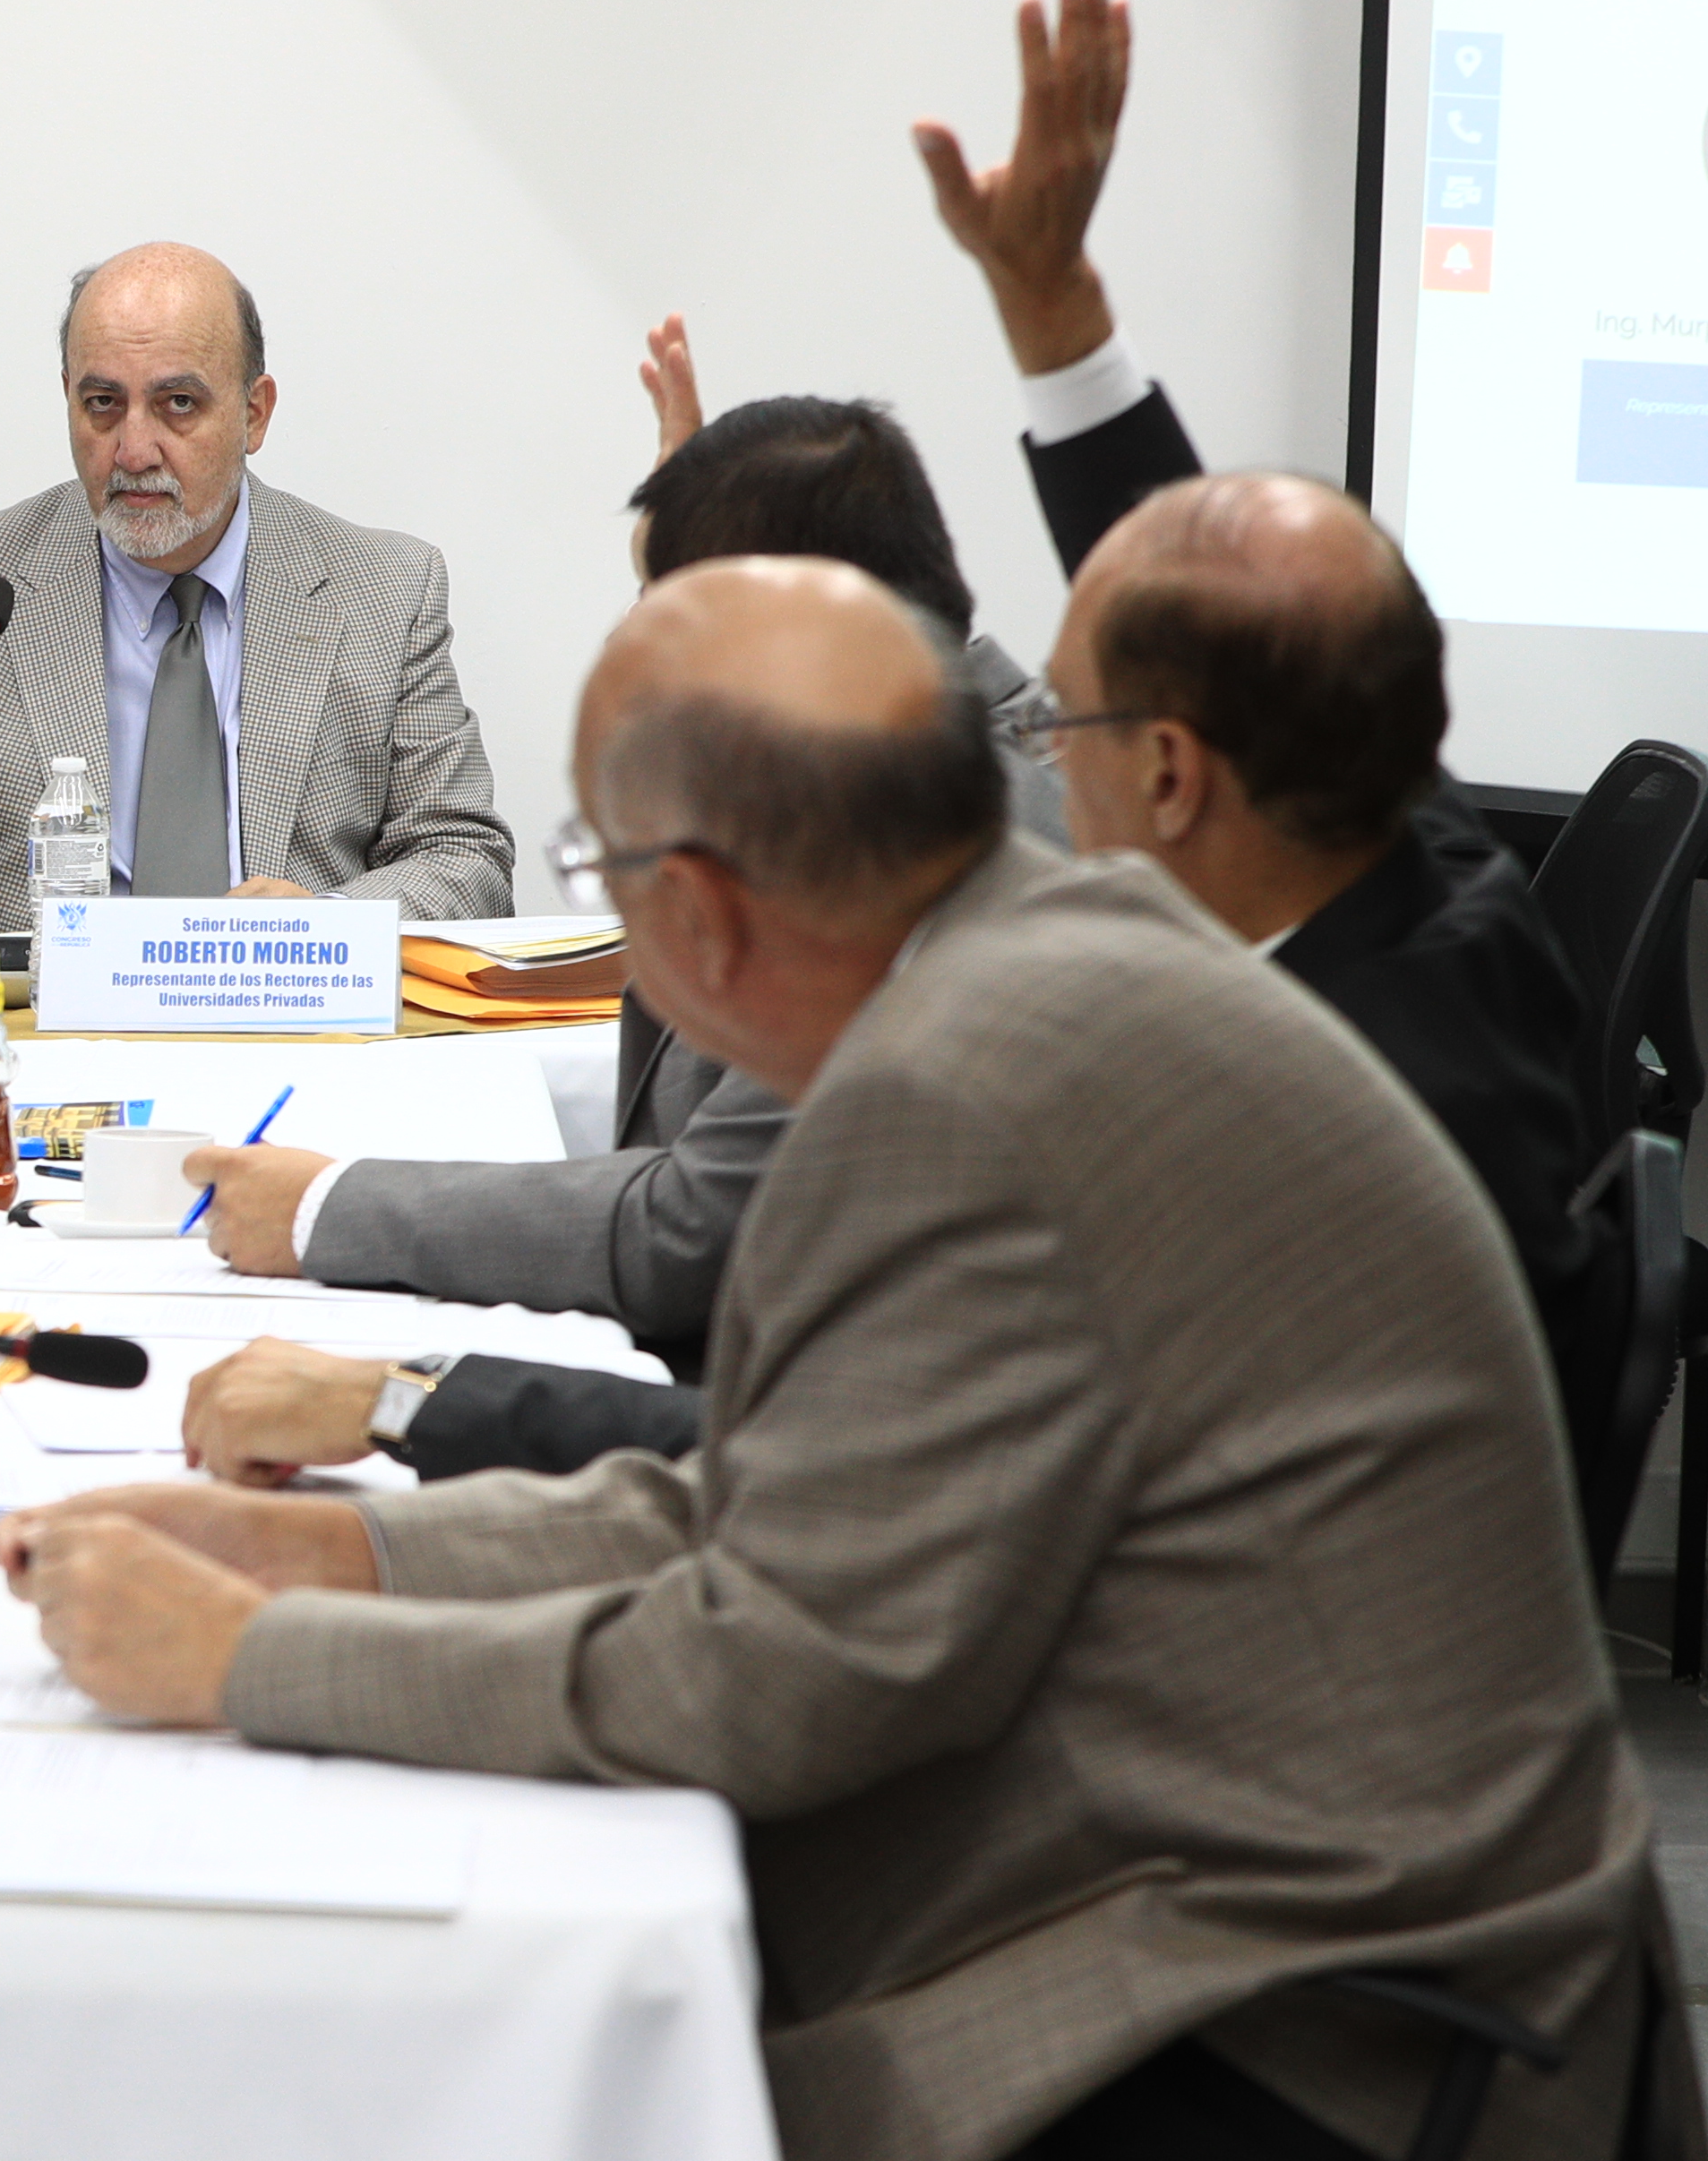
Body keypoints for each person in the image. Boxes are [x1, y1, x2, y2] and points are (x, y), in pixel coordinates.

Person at [0, 553, 1705, 2161]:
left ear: (707, 915)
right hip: (1310, 1930)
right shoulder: (1015, 964)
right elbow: (768, 1496)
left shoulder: (962, 1083)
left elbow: (771, 1679)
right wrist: (337, 1564)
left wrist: (245, 1660)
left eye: (607, 881)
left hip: (1323, 2055)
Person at [189, 0, 1620, 1504]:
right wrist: (1055, 320)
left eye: (1053, 716)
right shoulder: (1429, 878)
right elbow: (1224, 617)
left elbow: (851, 1461)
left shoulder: (1234, 1144)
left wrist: (406, 1398)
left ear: (1172, 770)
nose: (1017, 744)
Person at [176, 367, 1071, 1402]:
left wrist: (325, 1212)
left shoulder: (930, 838)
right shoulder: (939, 759)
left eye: (665, 603)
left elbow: (686, 1230)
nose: (631, 641)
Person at [0, 244, 511, 932]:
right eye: (102, 404)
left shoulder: (382, 592)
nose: (134, 449)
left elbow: (466, 858)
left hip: (290, 1035)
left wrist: (328, 926)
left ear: (254, 412)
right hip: (36, 1046)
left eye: (178, 404)